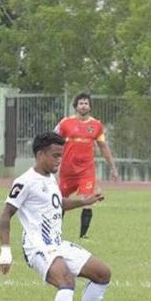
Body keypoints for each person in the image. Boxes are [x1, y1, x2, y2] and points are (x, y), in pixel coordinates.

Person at [0, 132, 113, 301]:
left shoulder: (50, 178)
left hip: (57, 243)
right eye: (55, 155)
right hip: (37, 246)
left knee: (102, 274)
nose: (59, 160)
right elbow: (5, 215)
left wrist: (84, 201)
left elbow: (57, 203)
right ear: (40, 154)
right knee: (66, 281)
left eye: (61, 155)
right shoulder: (25, 182)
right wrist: (5, 251)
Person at [54, 92, 119, 239]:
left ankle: (83, 236)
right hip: (67, 170)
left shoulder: (96, 125)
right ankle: (55, 231)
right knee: (60, 200)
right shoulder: (65, 123)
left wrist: (113, 167)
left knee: (87, 200)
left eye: (86, 103)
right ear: (76, 106)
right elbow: (53, 139)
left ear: (90, 107)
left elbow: (103, 146)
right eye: (81, 103)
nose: (83, 106)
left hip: (86, 170)